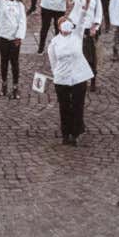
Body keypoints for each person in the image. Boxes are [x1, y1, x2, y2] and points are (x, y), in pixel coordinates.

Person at [47, 14, 93, 146]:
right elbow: (53, 62)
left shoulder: (77, 35)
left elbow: (83, 17)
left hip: (79, 77)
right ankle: (66, 133)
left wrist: (85, 5)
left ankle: (76, 132)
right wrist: (58, 75)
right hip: (62, 78)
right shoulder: (55, 43)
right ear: (59, 28)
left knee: (78, 105)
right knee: (64, 106)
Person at [0, 0, 26, 98]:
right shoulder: (1, 1)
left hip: (15, 38)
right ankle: (4, 85)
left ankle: (15, 87)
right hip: (3, 36)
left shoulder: (20, 5)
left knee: (15, 63)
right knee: (4, 61)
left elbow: (22, 21)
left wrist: (19, 36)